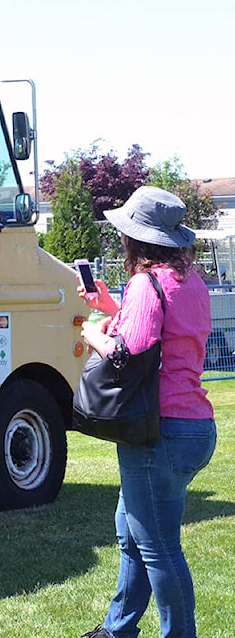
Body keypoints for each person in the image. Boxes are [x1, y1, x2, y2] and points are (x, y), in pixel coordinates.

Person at [77, 186, 216, 638]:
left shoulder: (145, 282)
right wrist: (113, 308)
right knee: (132, 533)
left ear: (137, 240)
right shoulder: (191, 282)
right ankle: (118, 630)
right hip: (195, 428)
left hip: (158, 432)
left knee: (158, 547)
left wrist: (93, 332)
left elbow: (125, 354)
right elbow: (163, 339)